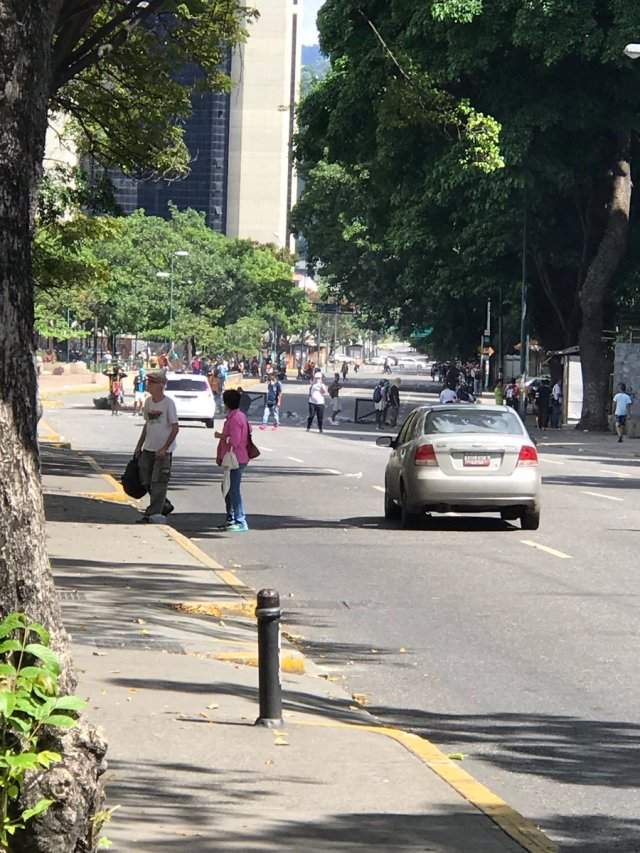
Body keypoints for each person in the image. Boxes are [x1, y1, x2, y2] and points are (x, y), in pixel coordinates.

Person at [134, 372, 179, 523]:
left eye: (151, 383)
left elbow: (175, 428)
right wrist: (139, 445)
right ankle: (163, 504)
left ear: (160, 386)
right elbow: (148, 425)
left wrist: (165, 448)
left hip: (163, 451)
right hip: (149, 448)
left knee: (158, 482)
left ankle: (152, 514)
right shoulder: (148, 402)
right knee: (145, 480)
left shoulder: (168, 404)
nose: (148, 385)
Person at [215, 388, 252, 531]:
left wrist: (221, 436)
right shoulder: (237, 416)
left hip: (236, 458)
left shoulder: (236, 418)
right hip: (232, 458)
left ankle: (240, 521)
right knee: (227, 487)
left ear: (226, 403)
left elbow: (235, 440)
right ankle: (231, 519)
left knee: (233, 489)